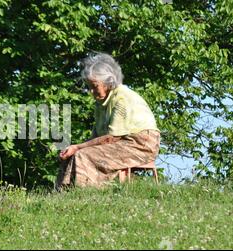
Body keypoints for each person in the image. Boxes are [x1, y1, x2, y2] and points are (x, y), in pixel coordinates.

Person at [57, 53, 160, 189]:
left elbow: (111, 138)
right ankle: (63, 193)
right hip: (122, 142)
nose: (92, 91)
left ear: (107, 83)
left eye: (95, 86)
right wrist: (74, 149)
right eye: (89, 87)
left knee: (83, 154)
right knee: (71, 155)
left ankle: (84, 194)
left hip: (141, 144)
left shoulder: (121, 98)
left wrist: (78, 147)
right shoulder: (101, 103)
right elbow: (96, 137)